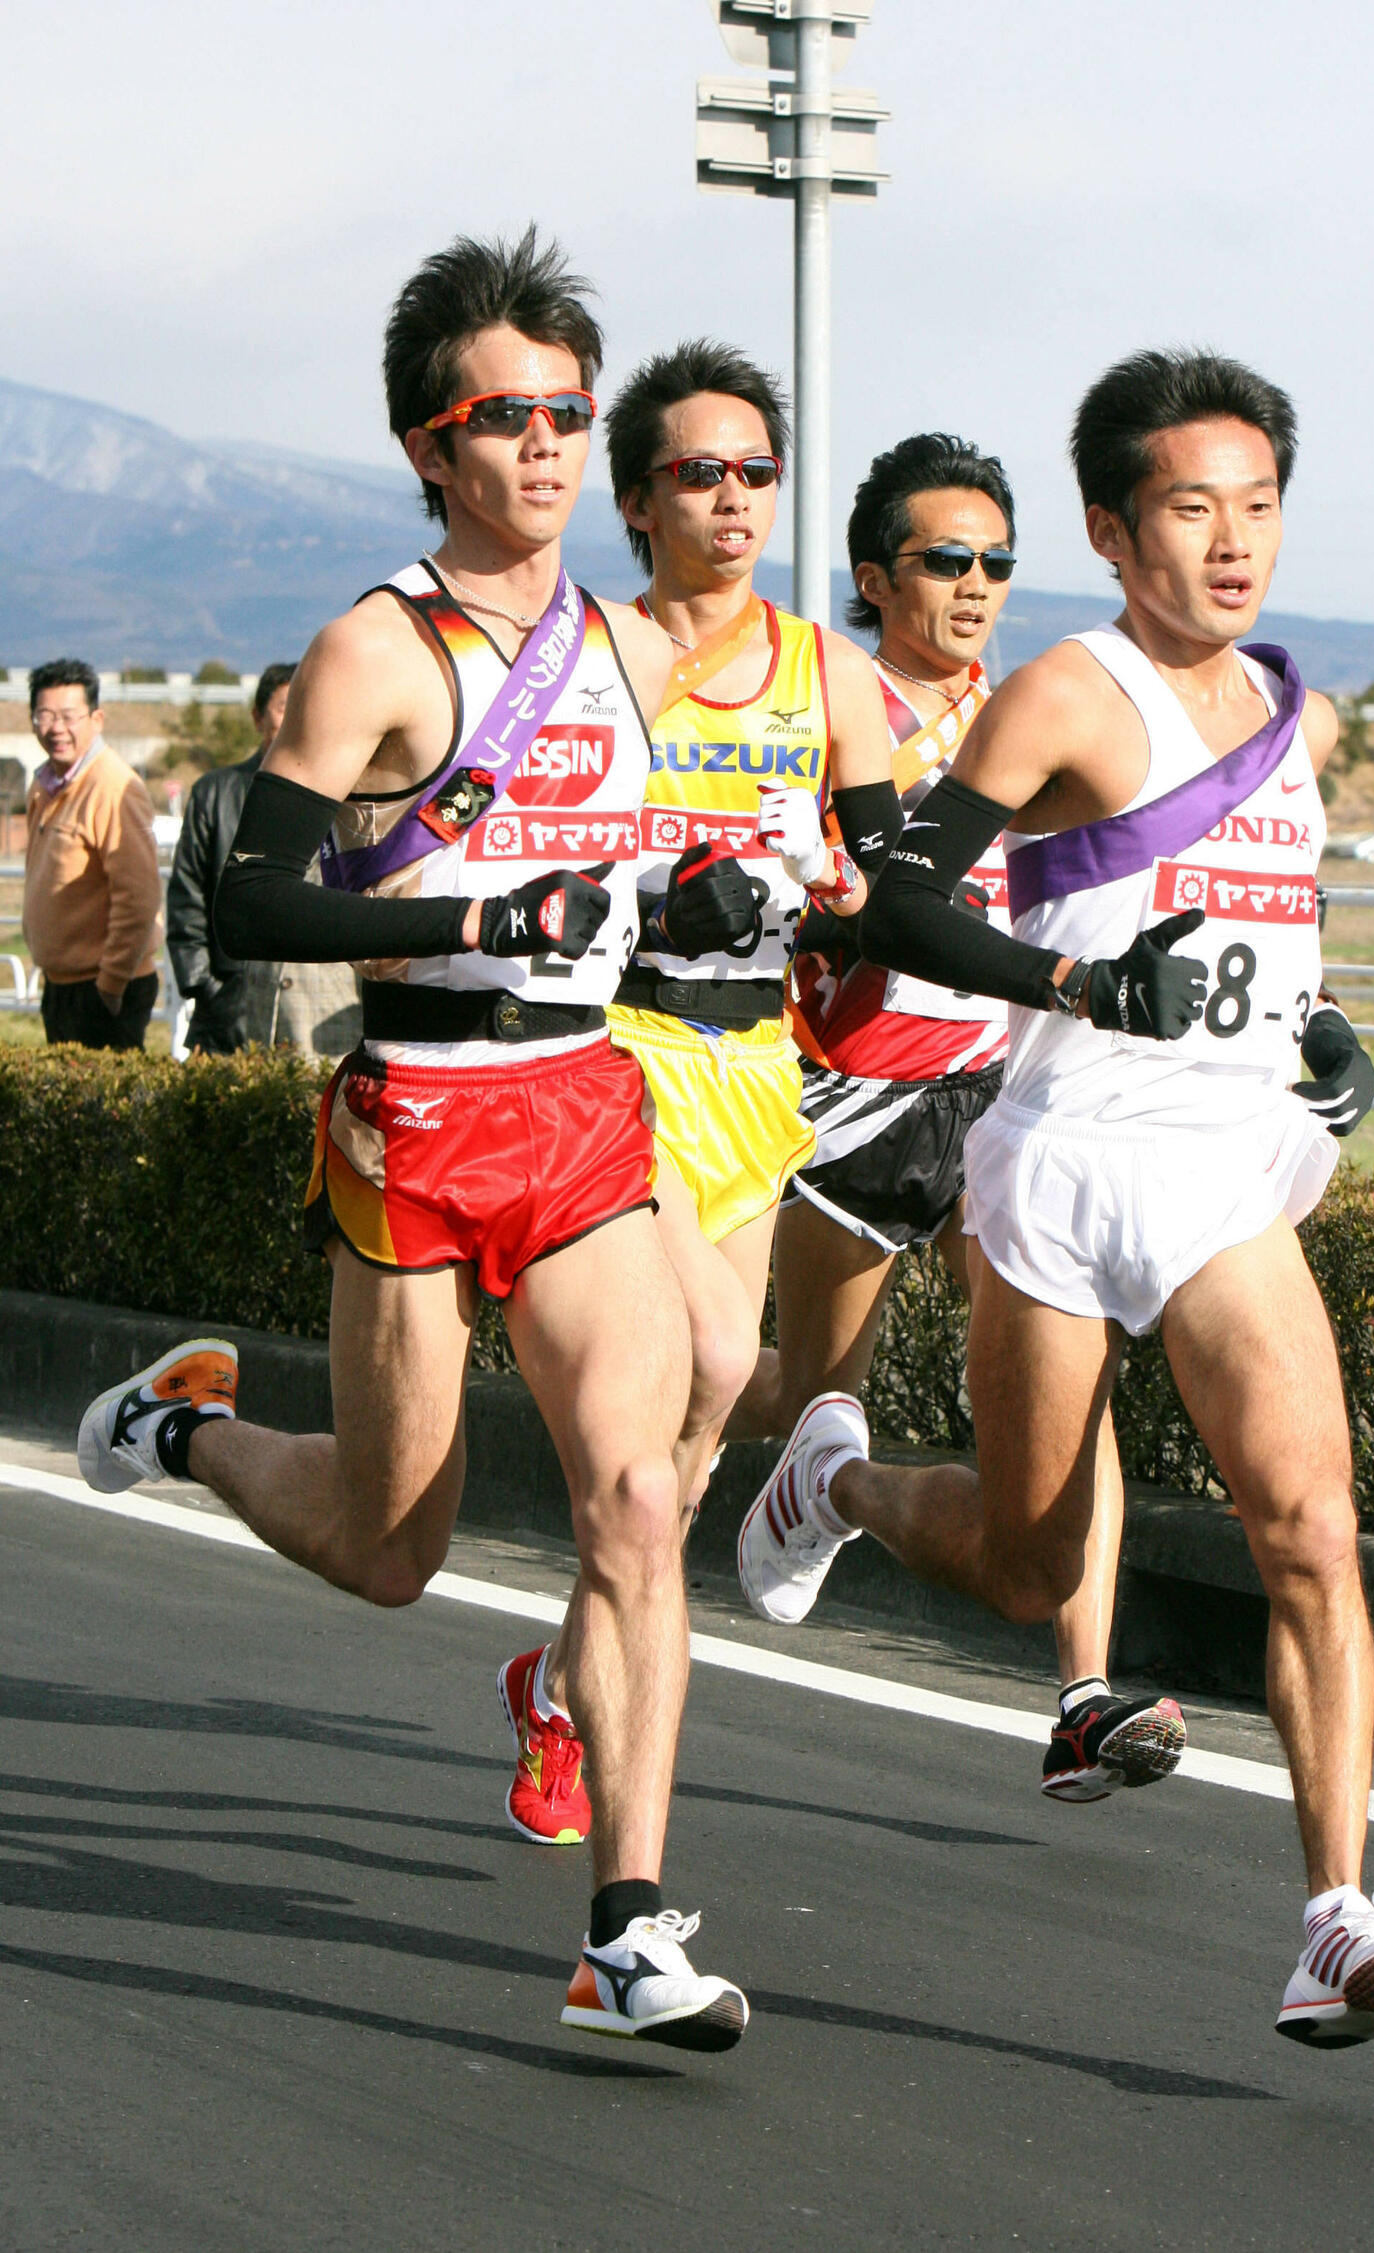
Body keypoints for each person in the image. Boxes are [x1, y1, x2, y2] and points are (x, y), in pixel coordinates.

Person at [76, 228, 748, 2052]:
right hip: (419, 1116)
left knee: (632, 1496)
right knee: (393, 1550)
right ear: (429, 445)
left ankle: (627, 1922)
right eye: (502, 415)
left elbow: (598, 879)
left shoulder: (622, 646)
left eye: (566, 413)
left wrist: (687, 886)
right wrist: (467, 922)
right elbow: (261, 892)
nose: (543, 445)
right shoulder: (376, 647)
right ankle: (191, 1423)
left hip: (583, 1108)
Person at [740, 348, 1374, 2049]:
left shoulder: (1302, 709)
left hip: (1221, 1166)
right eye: (1192, 508)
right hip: (1063, 1153)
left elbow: (1263, 937)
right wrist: (1076, 991)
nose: (1232, 542)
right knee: (1021, 1553)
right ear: (1114, 529)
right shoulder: (1068, 685)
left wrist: (1329, 1031)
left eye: (1258, 504)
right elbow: (904, 901)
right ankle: (838, 1477)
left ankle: (1335, 1917)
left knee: (1312, 1526)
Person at [729, 432, 1184, 1802]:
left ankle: (1083, 1697)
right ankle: (572, 1676)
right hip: (845, 1103)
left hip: (993, 1098)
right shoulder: (825, 702)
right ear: (877, 576)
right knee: (771, 1401)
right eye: (946, 561)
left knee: (1072, 1382)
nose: (977, 585)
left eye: (997, 561)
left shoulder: (1023, 715)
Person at [494, 338, 902, 1847]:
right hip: (611, 1055)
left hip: (753, 1072)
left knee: (660, 1486)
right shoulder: (581, 658)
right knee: (726, 1359)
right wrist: (670, 885)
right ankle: (612, 1808)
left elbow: (884, 881)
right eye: (699, 473)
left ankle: (555, 1687)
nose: (734, 499)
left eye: (757, 474)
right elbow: (509, 848)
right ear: (635, 500)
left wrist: (833, 883)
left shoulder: (825, 671)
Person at [168, 662, 362, 1058]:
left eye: (311, 705)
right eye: (284, 707)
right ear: (258, 717)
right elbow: (187, 900)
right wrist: (207, 988)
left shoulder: (357, 798)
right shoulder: (216, 793)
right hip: (231, 1006)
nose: (299, 718)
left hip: (324, 1017)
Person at [24, 659, 162, 1049]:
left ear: (96, 719)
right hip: (63, 984)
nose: (56, 728)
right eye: (45, 715)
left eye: (69, 716)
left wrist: (111, 983)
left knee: (102, 1108)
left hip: (103, 988)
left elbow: (139, 898)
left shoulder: (115, 787)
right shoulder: (45, 784)